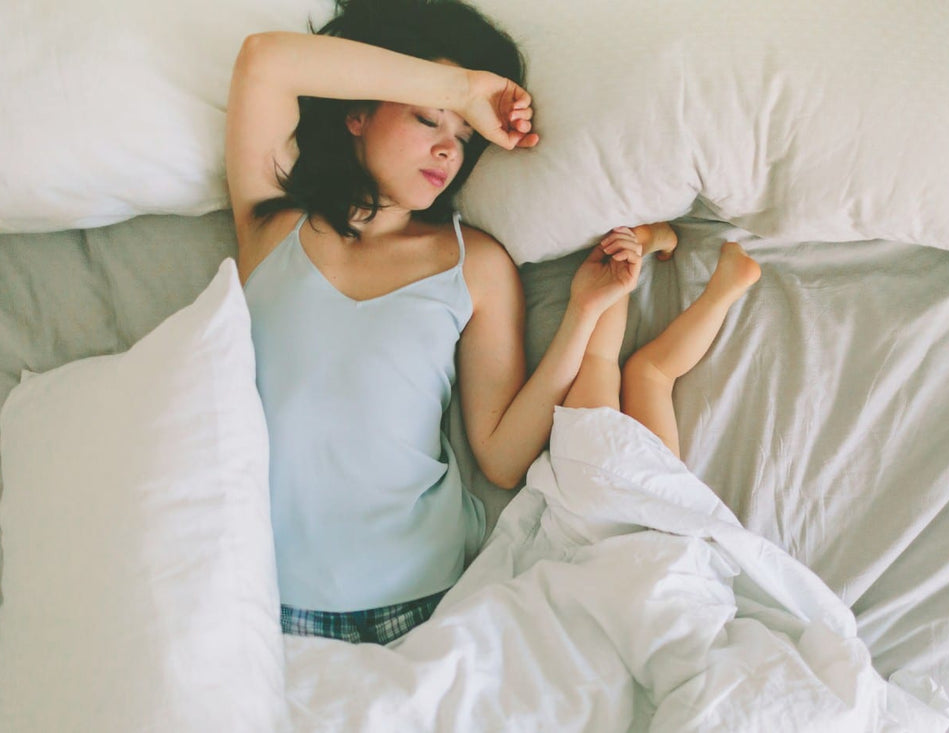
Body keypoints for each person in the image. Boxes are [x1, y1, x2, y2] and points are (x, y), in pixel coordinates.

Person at [224, 0, 650, 645]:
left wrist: (583, 312)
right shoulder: (271, 225)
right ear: (356, 113)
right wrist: (467, 91)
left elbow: (503, 458)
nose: (450, 147)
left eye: (467, 137)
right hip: (252, 599)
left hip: (423, 601)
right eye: (428, 120)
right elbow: (265, 60)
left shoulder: (473, 262)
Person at [563, 226, 762, 459]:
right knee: (607, 363)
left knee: (650, 374)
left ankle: (724, 289)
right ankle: (629, 251)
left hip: (663, 492)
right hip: (593, 478)